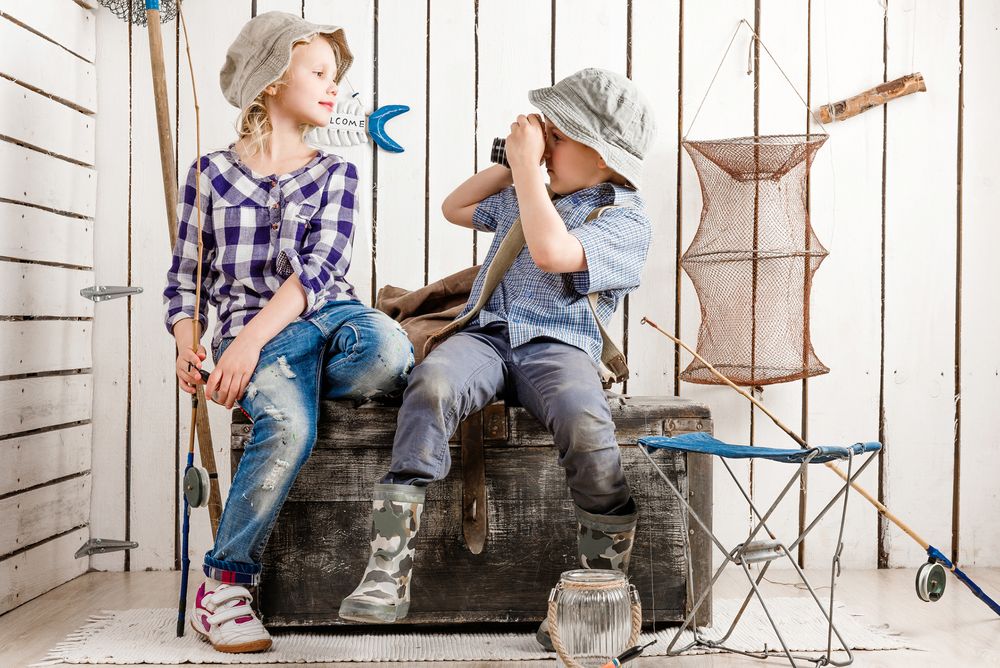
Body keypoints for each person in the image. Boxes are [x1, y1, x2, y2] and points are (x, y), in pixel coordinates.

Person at [337, 68, 656, 652]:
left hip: (561, 347)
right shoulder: (525, 190)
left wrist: (533, 177)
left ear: (605, 157)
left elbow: (551, 250)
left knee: (587, 422)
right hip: (486, 337)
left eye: (559, 137)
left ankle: (599, 587)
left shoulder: (623, 216)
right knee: (431, 382)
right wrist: (517, 164)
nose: (547, 146)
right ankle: (388, 564)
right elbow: (456, 207)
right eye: (547, 134)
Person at [163, 11, 412, 653]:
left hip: (326, 320)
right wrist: (192, 349)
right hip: (252, 334)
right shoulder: (209, 175)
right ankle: (223, 588)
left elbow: (319, 273)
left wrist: (244, 348)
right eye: (319, 73)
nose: (334, 89)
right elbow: (184, 281)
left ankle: (284, 374)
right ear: (273, 80)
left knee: (389, 348)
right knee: (289, 425)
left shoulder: (338, 174)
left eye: (337, 77)